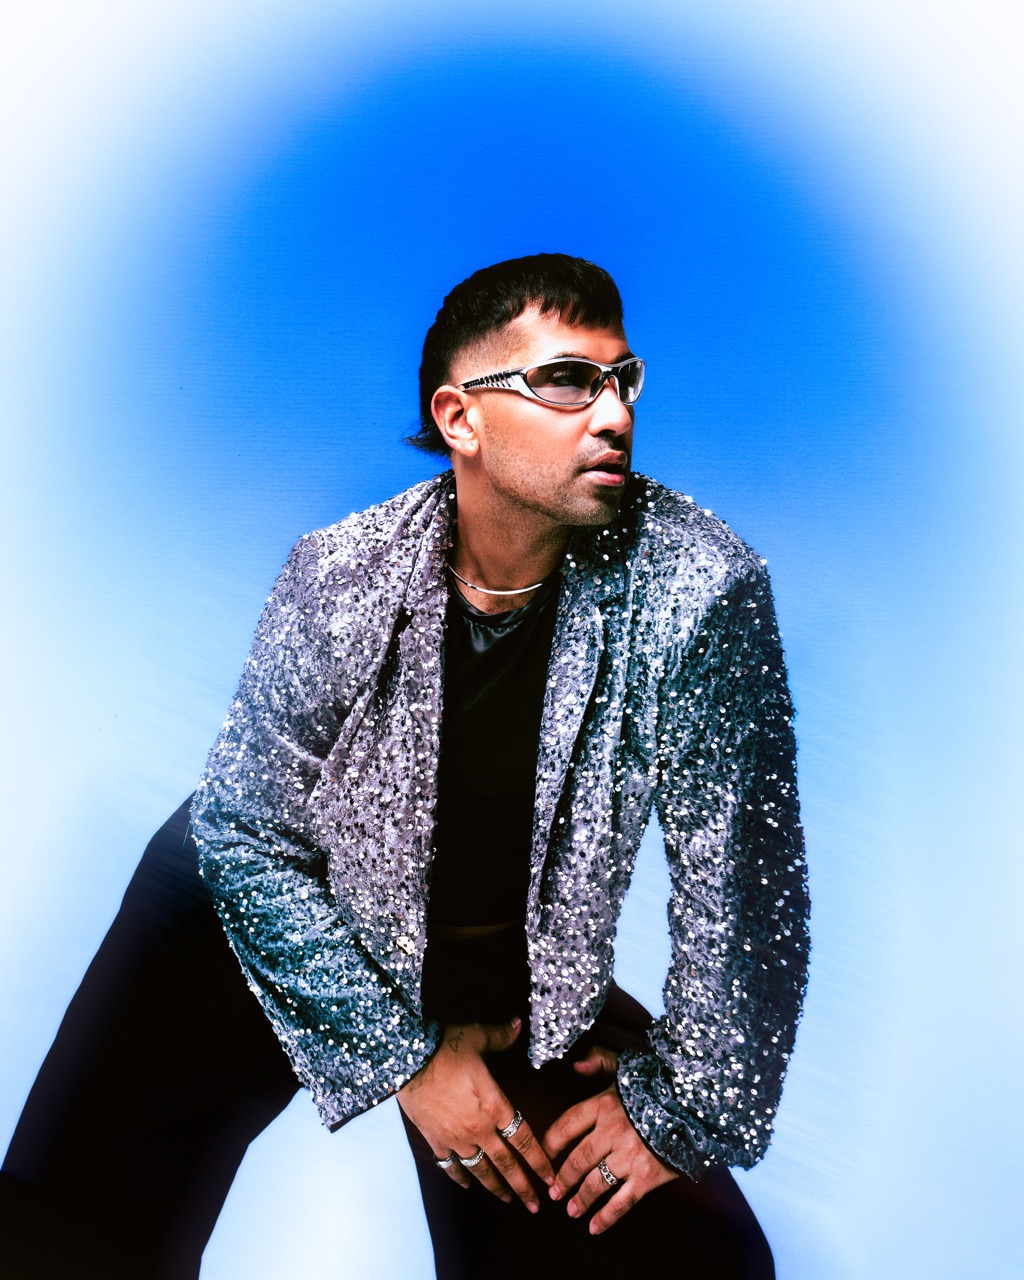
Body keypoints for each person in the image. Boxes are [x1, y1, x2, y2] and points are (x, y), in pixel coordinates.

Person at [1, 254, 808, 1279]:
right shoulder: (339, 571)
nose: (613, 415)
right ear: (460, 417)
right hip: (266, 910)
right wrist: (406, 1058)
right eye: (568, 382)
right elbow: (245, 833)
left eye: (623, 380)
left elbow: (746, 887)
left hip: (500, 972)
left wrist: (677, 1111)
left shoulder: (700, 588)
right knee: (68, 1243)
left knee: (687, 1262)